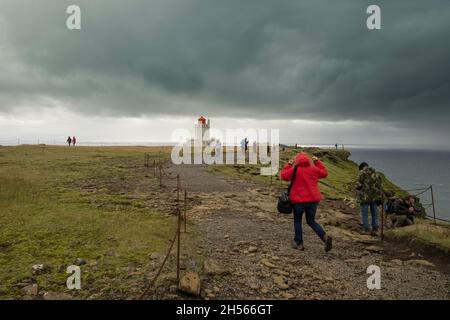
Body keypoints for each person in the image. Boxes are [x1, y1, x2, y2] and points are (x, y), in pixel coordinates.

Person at [281, 152, 332, 252]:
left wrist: (289, 165)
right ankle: (324, 237)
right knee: (311, 221)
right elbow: (324, 173)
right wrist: (317, 162)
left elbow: (284, 176)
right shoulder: (314, 169)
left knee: (297, 221)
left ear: (297, 160)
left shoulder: (295, 169)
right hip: (313, 200)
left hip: (299, 201)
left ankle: (299, 243)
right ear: (308, 159)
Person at [355, 162, 382, 235]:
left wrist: (359, 189)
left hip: (364, 197)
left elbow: (358, 185)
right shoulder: (376, 174)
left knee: (365, 213)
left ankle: (366, 229)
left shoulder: (361, 173)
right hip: (374, 197)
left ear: (361, 168)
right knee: (374, 213)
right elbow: (380, 186)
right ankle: (375, 228)